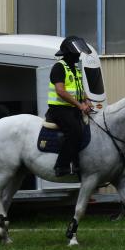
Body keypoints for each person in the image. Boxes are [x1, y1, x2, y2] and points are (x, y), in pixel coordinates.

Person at [47, 36, 94, 177]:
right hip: (59, 109)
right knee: (75, 131)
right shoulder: (58, 67)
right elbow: (60, 91)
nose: (79, 55)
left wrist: (87, 100)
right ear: (68, 53)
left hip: (72, 108)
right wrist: (80, 106)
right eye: (76, 53)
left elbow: (79, 88)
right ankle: (61, 165)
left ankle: (79, 162)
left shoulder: (75, 68)